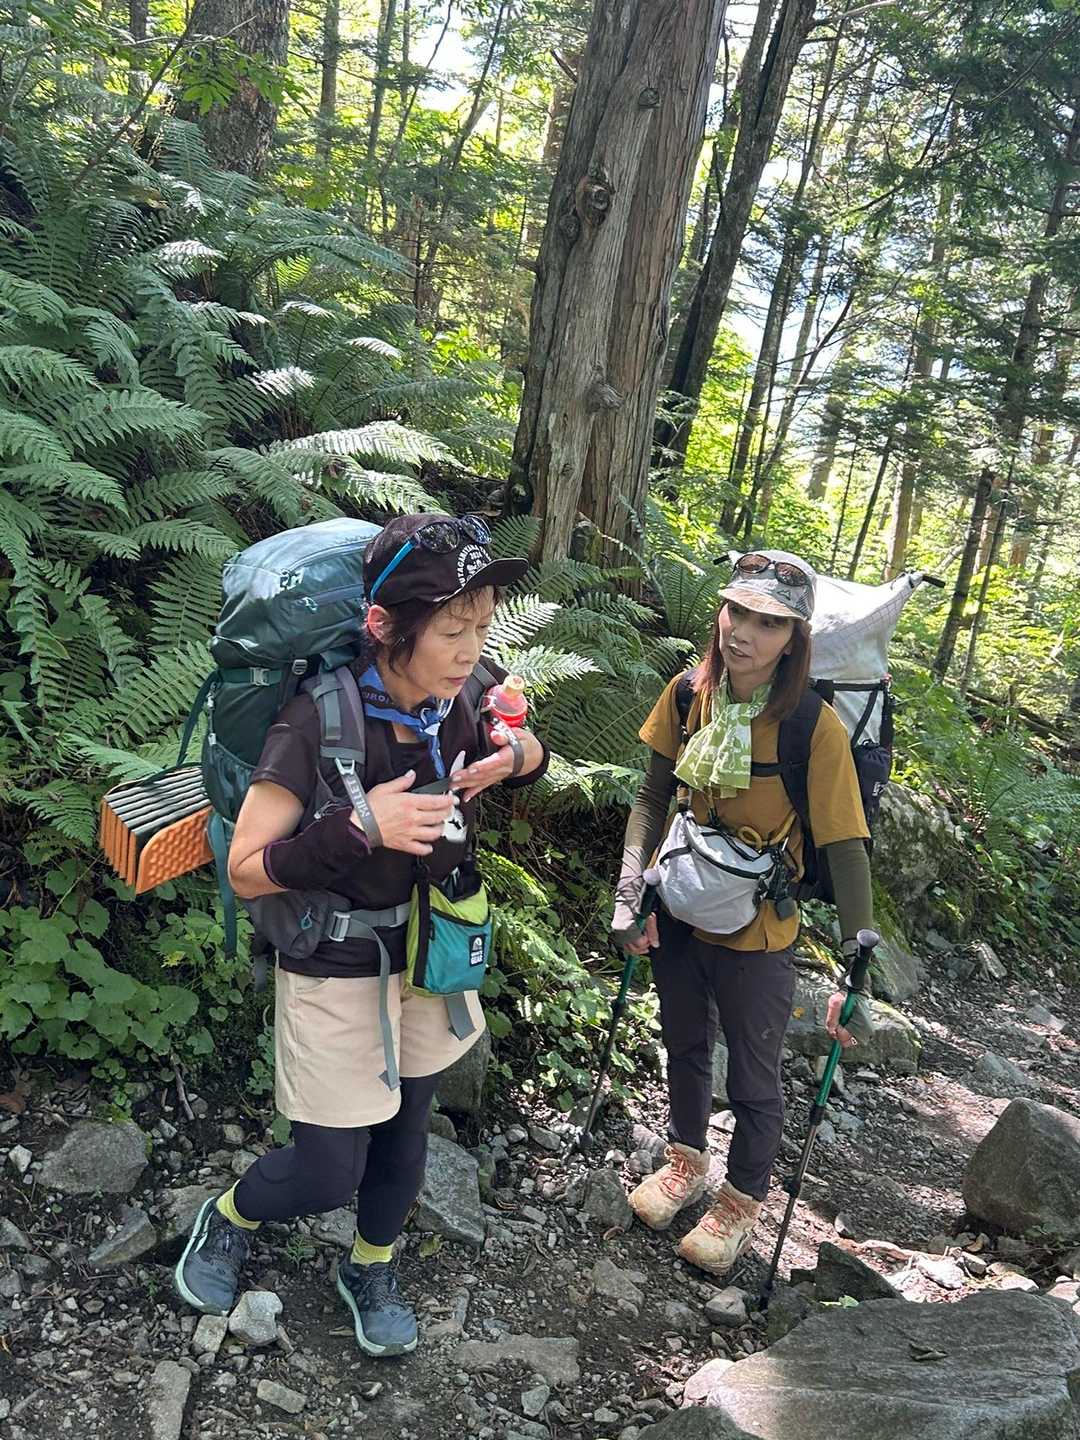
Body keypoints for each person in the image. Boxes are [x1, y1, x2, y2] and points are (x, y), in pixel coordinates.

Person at [174, 513, 548, 1353]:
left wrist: (514, 757)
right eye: (452, 630)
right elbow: (247, 868)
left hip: (428, 948)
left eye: (481, 627)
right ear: (384, 626)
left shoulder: (464, 690)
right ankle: (230, 1216)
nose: (471, 650)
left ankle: (371, 1263)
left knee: (408, 1127)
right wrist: (360, 828)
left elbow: (529, 744)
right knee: (326, 1168)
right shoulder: (314, 720)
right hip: (333, 954)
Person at [610, 549, 874, 1277]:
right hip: (680, 902)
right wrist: (630, 892)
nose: (745, 632)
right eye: (737, 611)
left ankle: (741, 1201)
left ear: (794, 640)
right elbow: (651, 797)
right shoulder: (687, 693)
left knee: (755, 1079)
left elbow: (846, 845)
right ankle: (685, 1161)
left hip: (758, 928)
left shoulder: (813, 728)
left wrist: (857, 964)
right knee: (684, 1044)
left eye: (770, 622)